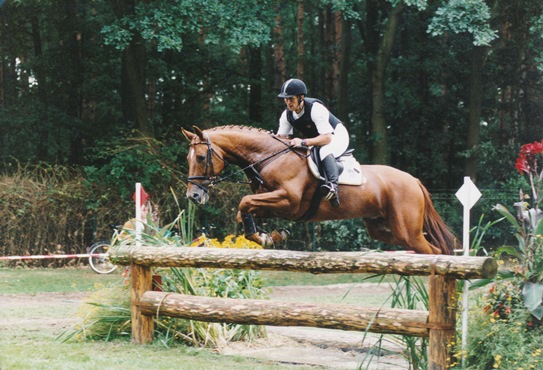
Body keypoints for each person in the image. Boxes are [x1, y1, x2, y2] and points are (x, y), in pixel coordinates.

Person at [276, 78, 349, 207]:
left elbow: (327, 139)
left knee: (324, 151)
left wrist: (303, 142)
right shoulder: (286, 115)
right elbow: (281, 139)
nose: (288, 102)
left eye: (291, 99)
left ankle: (332, 187)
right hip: (317, 140)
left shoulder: (315, 109)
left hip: (336, 136)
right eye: (285, 99)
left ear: (301, 97)